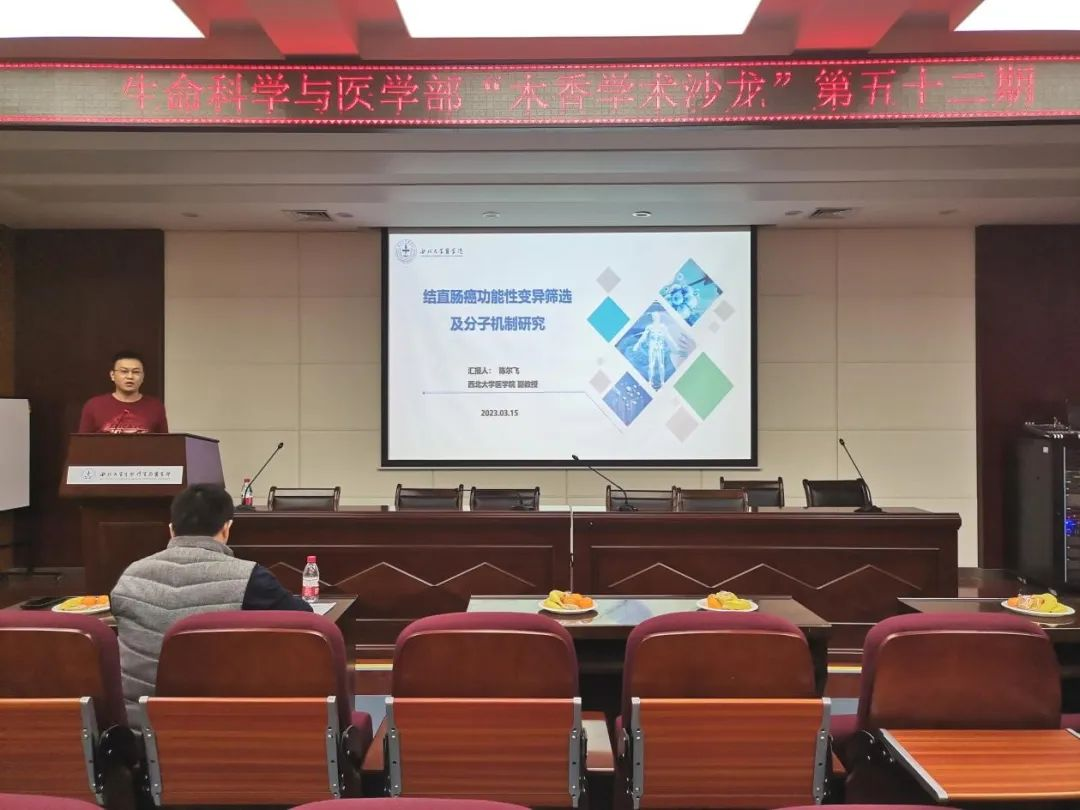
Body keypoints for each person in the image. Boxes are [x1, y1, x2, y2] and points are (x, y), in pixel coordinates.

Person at [110, 483, 312, 715]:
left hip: (138, 725)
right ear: (226, 529)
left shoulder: (130, 577)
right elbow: (305, 620)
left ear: (171, 530)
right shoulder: (250, 578)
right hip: (218, 725)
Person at [78, 350, 169, 433]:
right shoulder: (93, 406)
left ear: (143, 376)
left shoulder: (156, 407)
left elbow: (165, 443)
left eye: (136, 372)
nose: (130, 376)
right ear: (112, 375)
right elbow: (82, 443)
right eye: (124, 371)